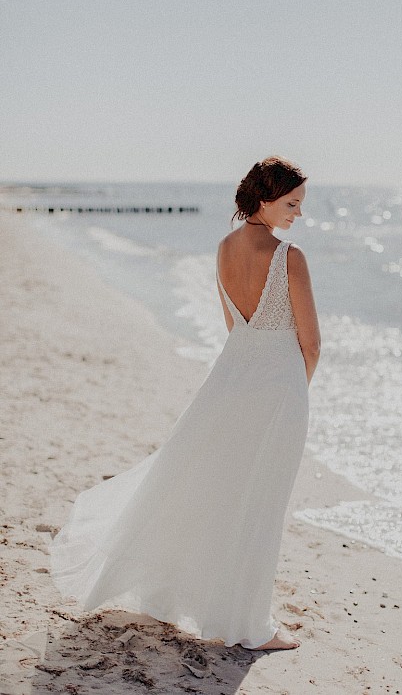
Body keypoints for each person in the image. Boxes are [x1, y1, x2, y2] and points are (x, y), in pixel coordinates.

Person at [50, 156, 321, 651]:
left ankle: (194, 596)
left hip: (228, 381)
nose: (298, 214)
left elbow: (232, 327)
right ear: (265, 198)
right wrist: (294, 392)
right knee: (257, 502)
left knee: (209, 489)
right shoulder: (289, 256)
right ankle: (248, 623)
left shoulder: (222, 248)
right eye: (292, 203)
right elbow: (312, 344)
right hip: (276, 389)